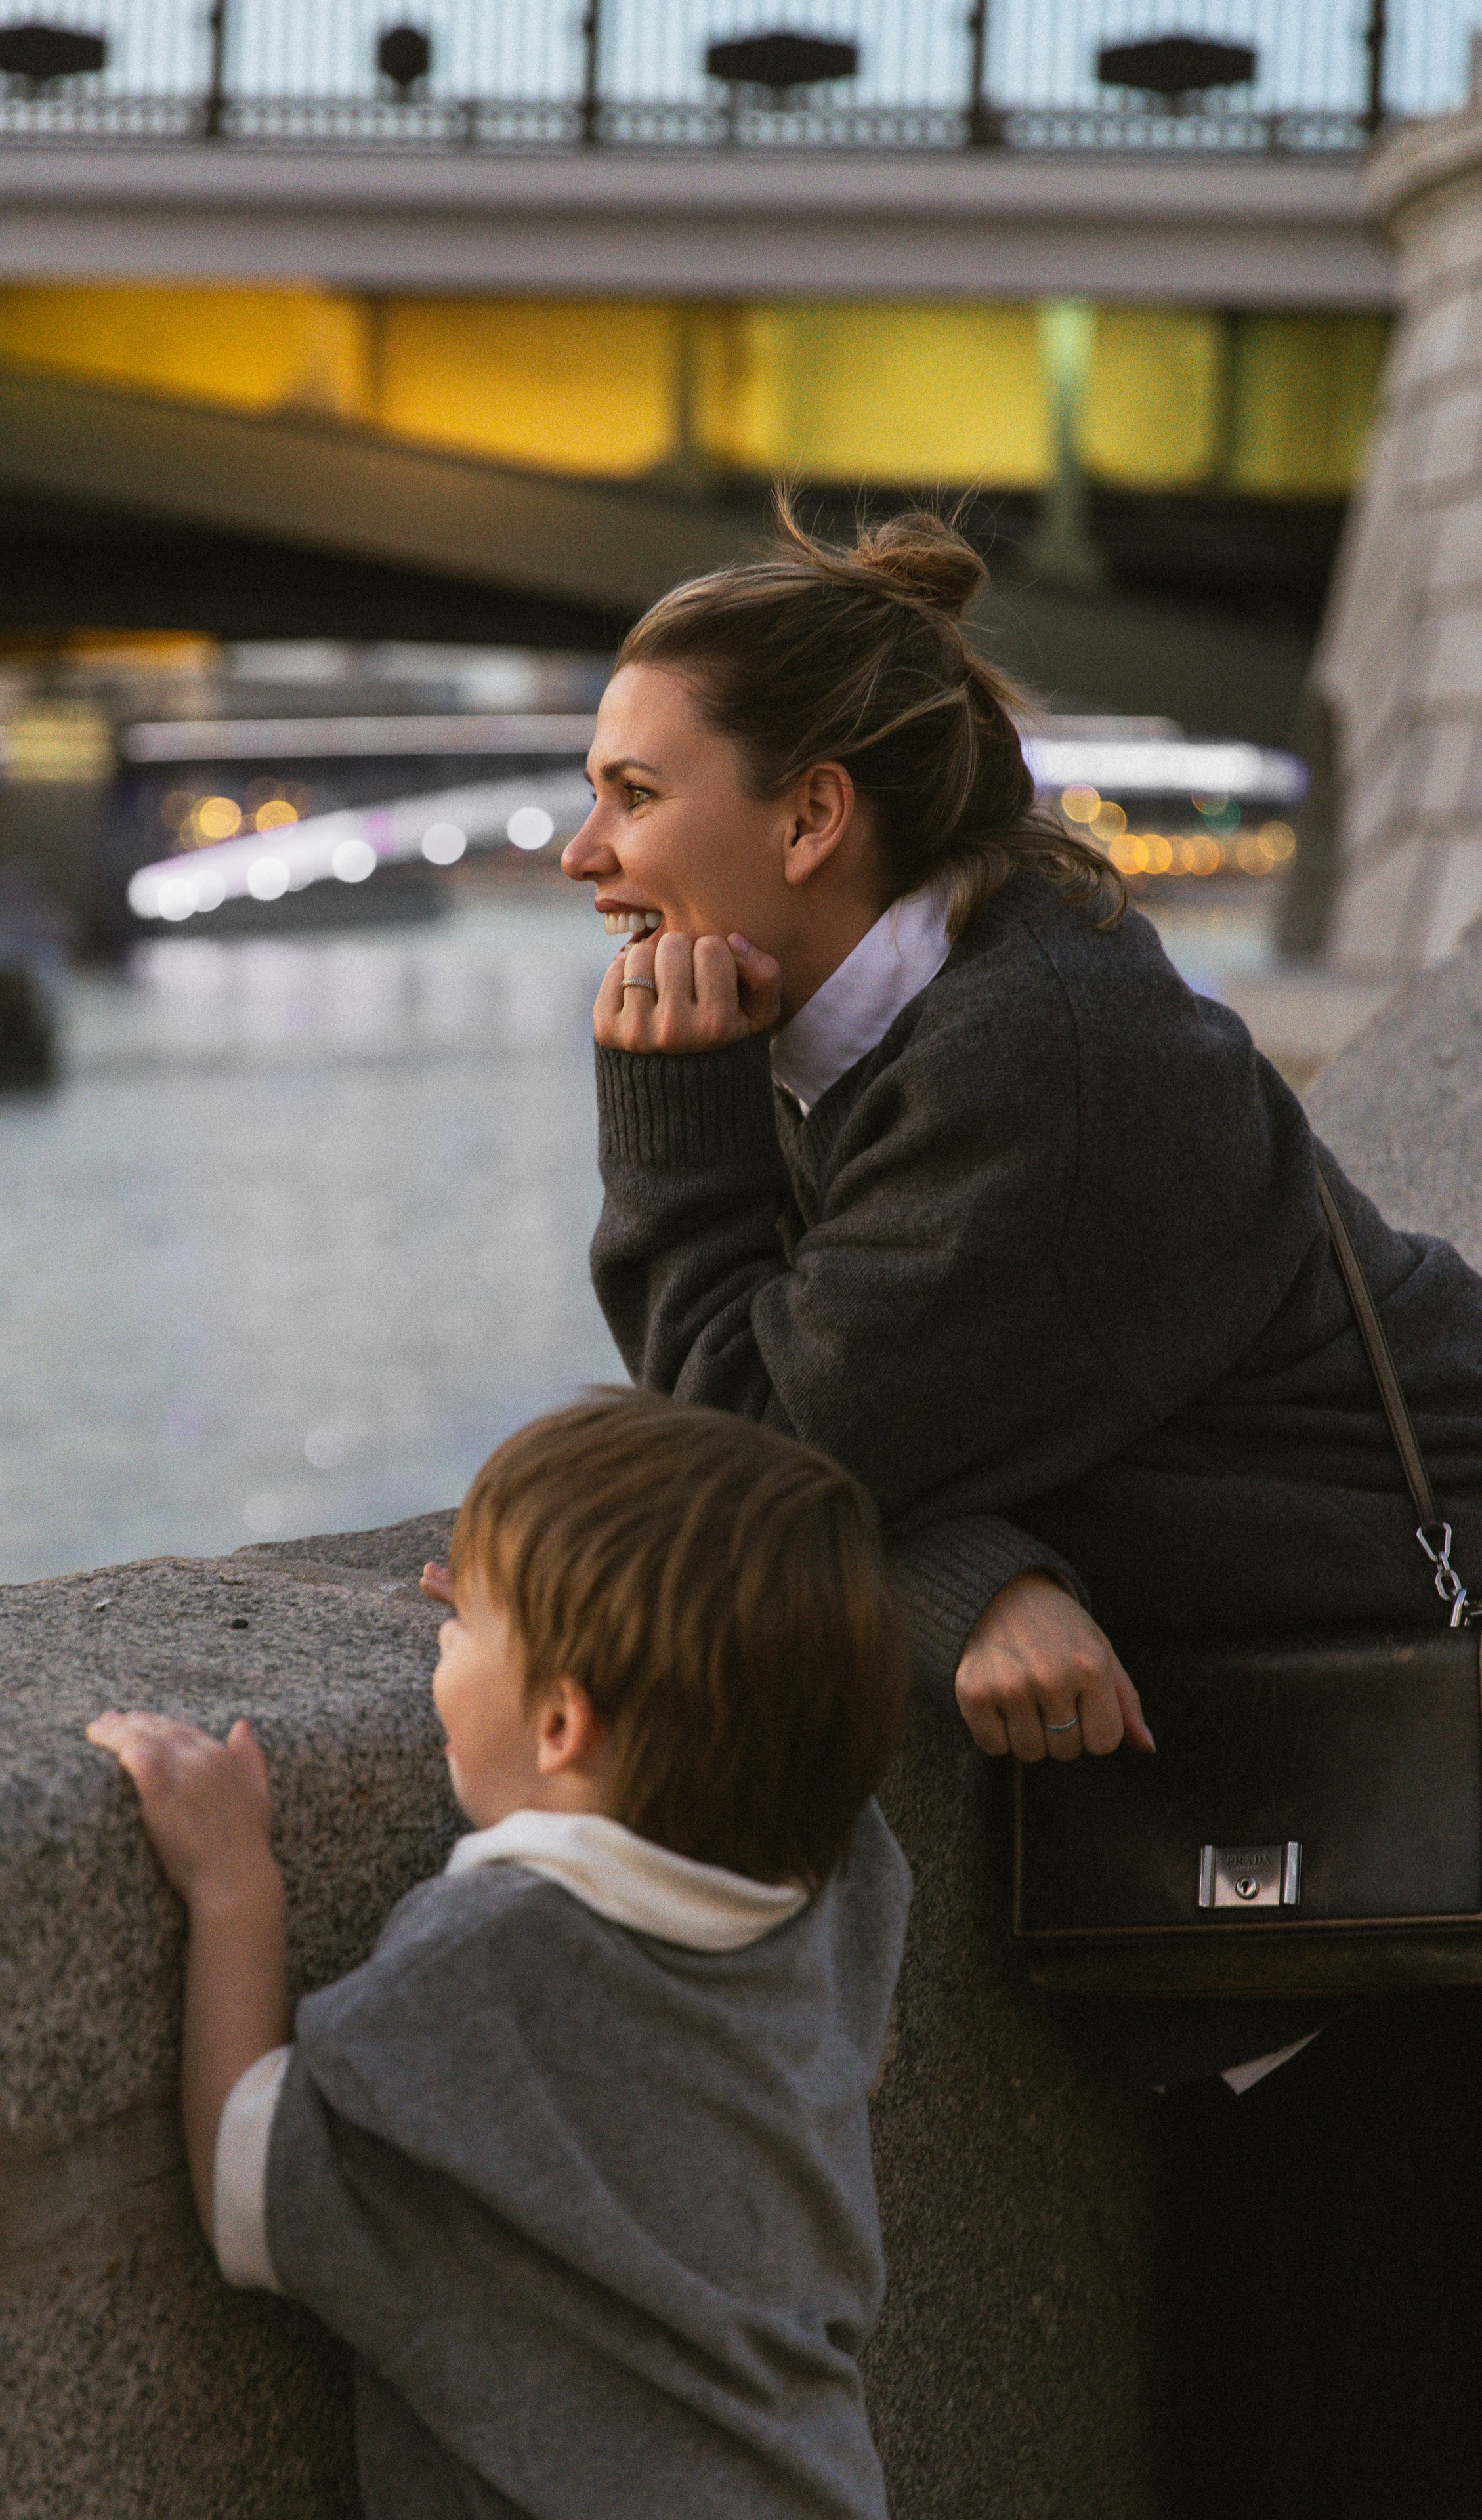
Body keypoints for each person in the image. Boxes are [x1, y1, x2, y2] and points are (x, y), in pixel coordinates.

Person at [562, 497, 1482, 2517]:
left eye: (634, 793)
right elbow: (883, 1430)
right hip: (1313, 1850)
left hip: (1399, 1864)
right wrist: (965, 1567)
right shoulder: (948, 1011)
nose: (584, 853)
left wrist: (671, 1120)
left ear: (810, 819)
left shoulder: (1029, 1066)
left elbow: (753, 1454)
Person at [87, 1391, 912, 2520]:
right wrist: (536, 1627)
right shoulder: (833, 1905)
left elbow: (249, 2183)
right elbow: (806, 1748)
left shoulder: (486, 1963)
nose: (442, 1633)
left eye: (465, 1626)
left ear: (563, 1727)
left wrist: (234, 1885)